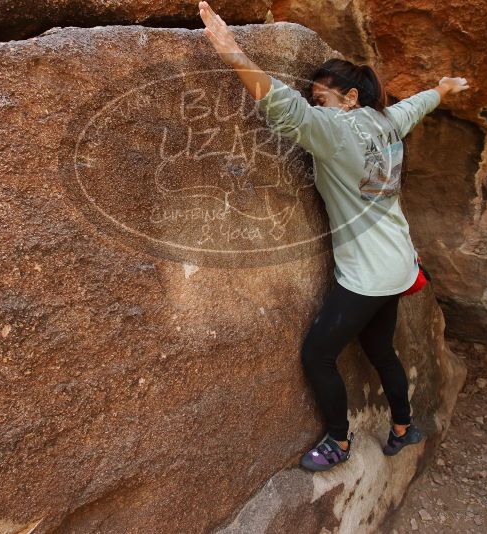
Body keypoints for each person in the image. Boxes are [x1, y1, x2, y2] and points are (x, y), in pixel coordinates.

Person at [198, 1, 469, 471]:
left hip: (367, 274)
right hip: (400, 263)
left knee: (317, 355)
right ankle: (403, 428)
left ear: (349, 97)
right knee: (381, 349)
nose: (313, 102)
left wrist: (234, 55)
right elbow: (413, 107)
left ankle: (338, 443)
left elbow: (286, 110)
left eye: (320, 95)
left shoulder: (337, 130)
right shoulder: (386, 124)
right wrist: (440, 90)